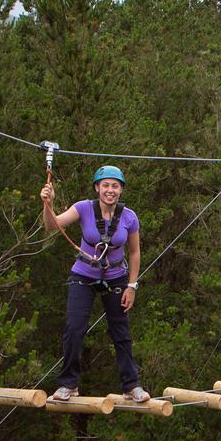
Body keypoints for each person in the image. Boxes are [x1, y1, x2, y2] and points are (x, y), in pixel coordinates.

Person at [41, 165, 150, 402]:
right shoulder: (83, 208)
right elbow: (52, 225)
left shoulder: (129, 217)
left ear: (121, 190)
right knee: (74, 327)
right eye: (106, 186)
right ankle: (68, 384)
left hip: (116, 277)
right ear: (97, 188)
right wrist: (48, 204)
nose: (110, 190)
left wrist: (132, 286)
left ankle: (131, 386)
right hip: (84, 275)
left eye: (115, 186)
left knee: (120, 331)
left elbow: (134, 252)